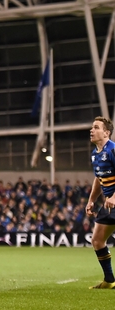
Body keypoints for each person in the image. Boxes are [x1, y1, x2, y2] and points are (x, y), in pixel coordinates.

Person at [84, 116, 115, 289]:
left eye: (96, 127)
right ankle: (109, 281)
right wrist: (91, 200)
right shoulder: (95, 154)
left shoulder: (113, 150)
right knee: (97, 240)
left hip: (113, 201)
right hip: (109, 205)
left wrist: (114, 197)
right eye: (92, 127)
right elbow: (98, 178)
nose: (92, 130)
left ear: (106, 133)